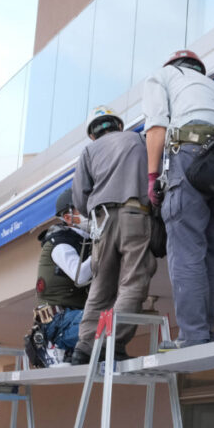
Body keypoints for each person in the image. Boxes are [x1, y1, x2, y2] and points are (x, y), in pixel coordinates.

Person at [143, 50, 214, 348]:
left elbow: (156, 126)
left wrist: (151, 177)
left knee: (186, 249)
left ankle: (192, 336)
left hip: (189, 155)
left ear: (172, 65)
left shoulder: (161, 77)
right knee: (210, 253)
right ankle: (203, 333)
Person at [70, 105, 156, 364]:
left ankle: (85, 346)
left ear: (93, 134)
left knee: (101, 283)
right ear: (119, 125)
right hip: (135, 214)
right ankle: (111, 343)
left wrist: (96, 212)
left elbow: (79, 197)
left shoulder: (89, 151)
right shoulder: (138, 140)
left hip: (101, 220)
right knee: (132, 282)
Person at [24, 188, 92, 367]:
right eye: (82, 209)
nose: (88, 212)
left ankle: (74, 350)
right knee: (97, 321)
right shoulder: (60, 243)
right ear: (68, 217)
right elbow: (81, 276)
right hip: (56, 321)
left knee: (107, 321)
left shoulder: (84, 240)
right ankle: (54, 346)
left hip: (71, 315)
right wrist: (102, 253)